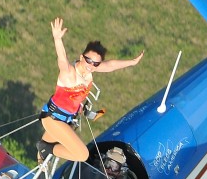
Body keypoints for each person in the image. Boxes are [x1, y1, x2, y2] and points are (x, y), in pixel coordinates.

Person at [37, 18, 143, 164]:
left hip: (67, 120)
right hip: (53, 119)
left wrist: (132, 62)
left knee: (42, 160)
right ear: (81, 57)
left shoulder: (90, 70)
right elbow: (62, 58)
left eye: (96, 63)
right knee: (81, 155)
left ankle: (42, 160)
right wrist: (57, 39)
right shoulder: (69, 73)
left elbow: (110, 65)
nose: (91, 65)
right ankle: (46, 149)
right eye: (88, 60)